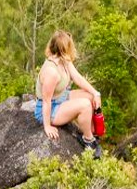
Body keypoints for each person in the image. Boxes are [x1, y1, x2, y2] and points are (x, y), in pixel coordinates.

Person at [34, 30, 104, 159]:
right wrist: (47, 126)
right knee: (85, 105)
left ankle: (92, 133)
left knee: (89, 97)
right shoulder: (51, 72)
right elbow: (46, 101)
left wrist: (95, 93)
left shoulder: (63, 60)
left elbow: (77, 77)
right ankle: (88, 141)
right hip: (50, 109)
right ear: (64, 49)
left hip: (60, 97)